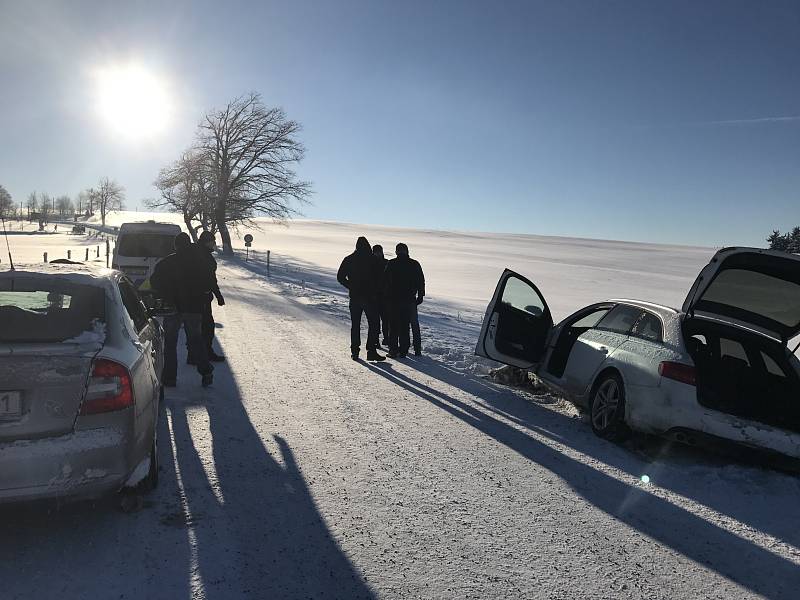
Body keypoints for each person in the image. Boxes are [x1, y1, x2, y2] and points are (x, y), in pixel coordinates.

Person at [151, 232, 215, 387]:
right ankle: (206, 371)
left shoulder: (167, 262)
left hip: (172, 307)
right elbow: (209, 280)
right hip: (194, 308)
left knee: (170, 344)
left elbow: (154, 281)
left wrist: (164, 295)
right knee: (196, 340)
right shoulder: (200, 262)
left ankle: (169, 378)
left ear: (176, 245)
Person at [337, 236, 385, 361]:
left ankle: (355, 351)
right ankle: (371, 351)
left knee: (356, 325)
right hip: (370, 297)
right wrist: (376, 290)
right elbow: (381, 278)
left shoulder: (349, 259)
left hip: (355, 297)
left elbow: (340, 277)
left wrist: (350, 286)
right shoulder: (373, 260)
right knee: (374, 324)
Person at [384, 242, 425, 358]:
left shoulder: (391, 263)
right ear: (407, 251)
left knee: (393, 326)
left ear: (396, 251)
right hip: (409, 300)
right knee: (405, 326)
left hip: (394, 300)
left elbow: (385, 281)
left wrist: (385, 296)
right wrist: (420, 295)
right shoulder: (414, 264)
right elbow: (420, 281)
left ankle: (393, 350)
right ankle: (403, 350)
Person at [195, 230, 226, 362]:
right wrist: (218, 295)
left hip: (195, 296)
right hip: (201, 296)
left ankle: (195, 355)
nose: (214, 244)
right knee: (207, 327)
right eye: (212, 242)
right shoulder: (204, 256)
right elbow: (210, 279)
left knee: (196, 326)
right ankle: (206, 353)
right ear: (207, 242)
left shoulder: (197, 253)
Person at [372, 244, 390, 348]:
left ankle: (386, 338)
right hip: (374, 296)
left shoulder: (387, 263)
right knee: (376, 320)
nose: (378, 254)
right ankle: (377, 340)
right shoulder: (371, 264)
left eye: (379, 252)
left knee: (385, 319)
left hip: (384, 296)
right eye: (376, 252)